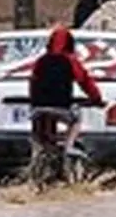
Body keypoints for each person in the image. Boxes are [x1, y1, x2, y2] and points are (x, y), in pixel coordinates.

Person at [28, 25, 104, 158]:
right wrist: (96, 98)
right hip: (61, 107)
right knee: (76, 120)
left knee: (40, 132)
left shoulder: (41, 61)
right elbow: (85, 82)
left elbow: (32, 81)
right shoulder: (70, 60)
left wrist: (33, 101)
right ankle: (69, 147)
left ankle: (38, 153)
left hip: (37, 109)